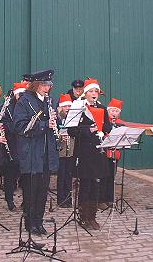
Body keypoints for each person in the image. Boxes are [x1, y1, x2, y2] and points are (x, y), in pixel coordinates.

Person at [13, 70, 59, 236]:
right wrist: (44, 125)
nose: (46, 88)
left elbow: (52, 124)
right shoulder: (24, 101)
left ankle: (38, 221)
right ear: (35, 85)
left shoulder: (49, 101)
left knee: (42, 191)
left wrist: (56, 121)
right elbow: (19, 126)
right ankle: (29, 223)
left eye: (48, 85)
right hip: (31, 153)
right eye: (43, 85)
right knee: (31, 191)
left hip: (46, 154)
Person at [67, 78, 112, 230]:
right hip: (84, 152)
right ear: (85, 93)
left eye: (96, 92)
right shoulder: (78, 107)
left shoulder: (102, 108)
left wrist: (104, 126)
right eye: (91, 91)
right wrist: (89, 129)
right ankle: (83, 216)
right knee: (85, 185)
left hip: (98, 151)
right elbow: (71, 130)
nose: (94, 94)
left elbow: (107, 126)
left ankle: (93, 216)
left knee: (96, 185)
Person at [2, 82, 26, 211]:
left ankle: (26, 201)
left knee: (25, 175)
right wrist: (18, 128)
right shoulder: (7, 108)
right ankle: (9, 200)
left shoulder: (28, 106)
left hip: (25, 146)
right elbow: (4, 124)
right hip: (12, 145)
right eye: (19, 94)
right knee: (10, 176)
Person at [56, 94, 75, 208]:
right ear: (61, 107)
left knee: (69, 175)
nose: (67, 108)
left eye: (69, 106)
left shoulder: (73, 117)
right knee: (61, 175)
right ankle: (61, 199)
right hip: (61, 150)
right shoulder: (58, 118)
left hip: (71, 150)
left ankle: (68, 198)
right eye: (65, 106)